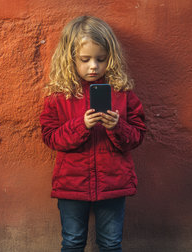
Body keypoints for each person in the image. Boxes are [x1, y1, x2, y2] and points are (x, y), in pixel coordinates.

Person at [40, 16, 146, 252]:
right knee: (72, 242)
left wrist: (117, 126)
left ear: (111, 57)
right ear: (70, 59)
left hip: (113, 183)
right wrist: (81, 125)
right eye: (85, 59)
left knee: (110, 244)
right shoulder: (60, 96)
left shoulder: (122, 93)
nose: (93, 66)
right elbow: (50, 137)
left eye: (101, 59)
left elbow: (137, 136)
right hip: (72, 184)